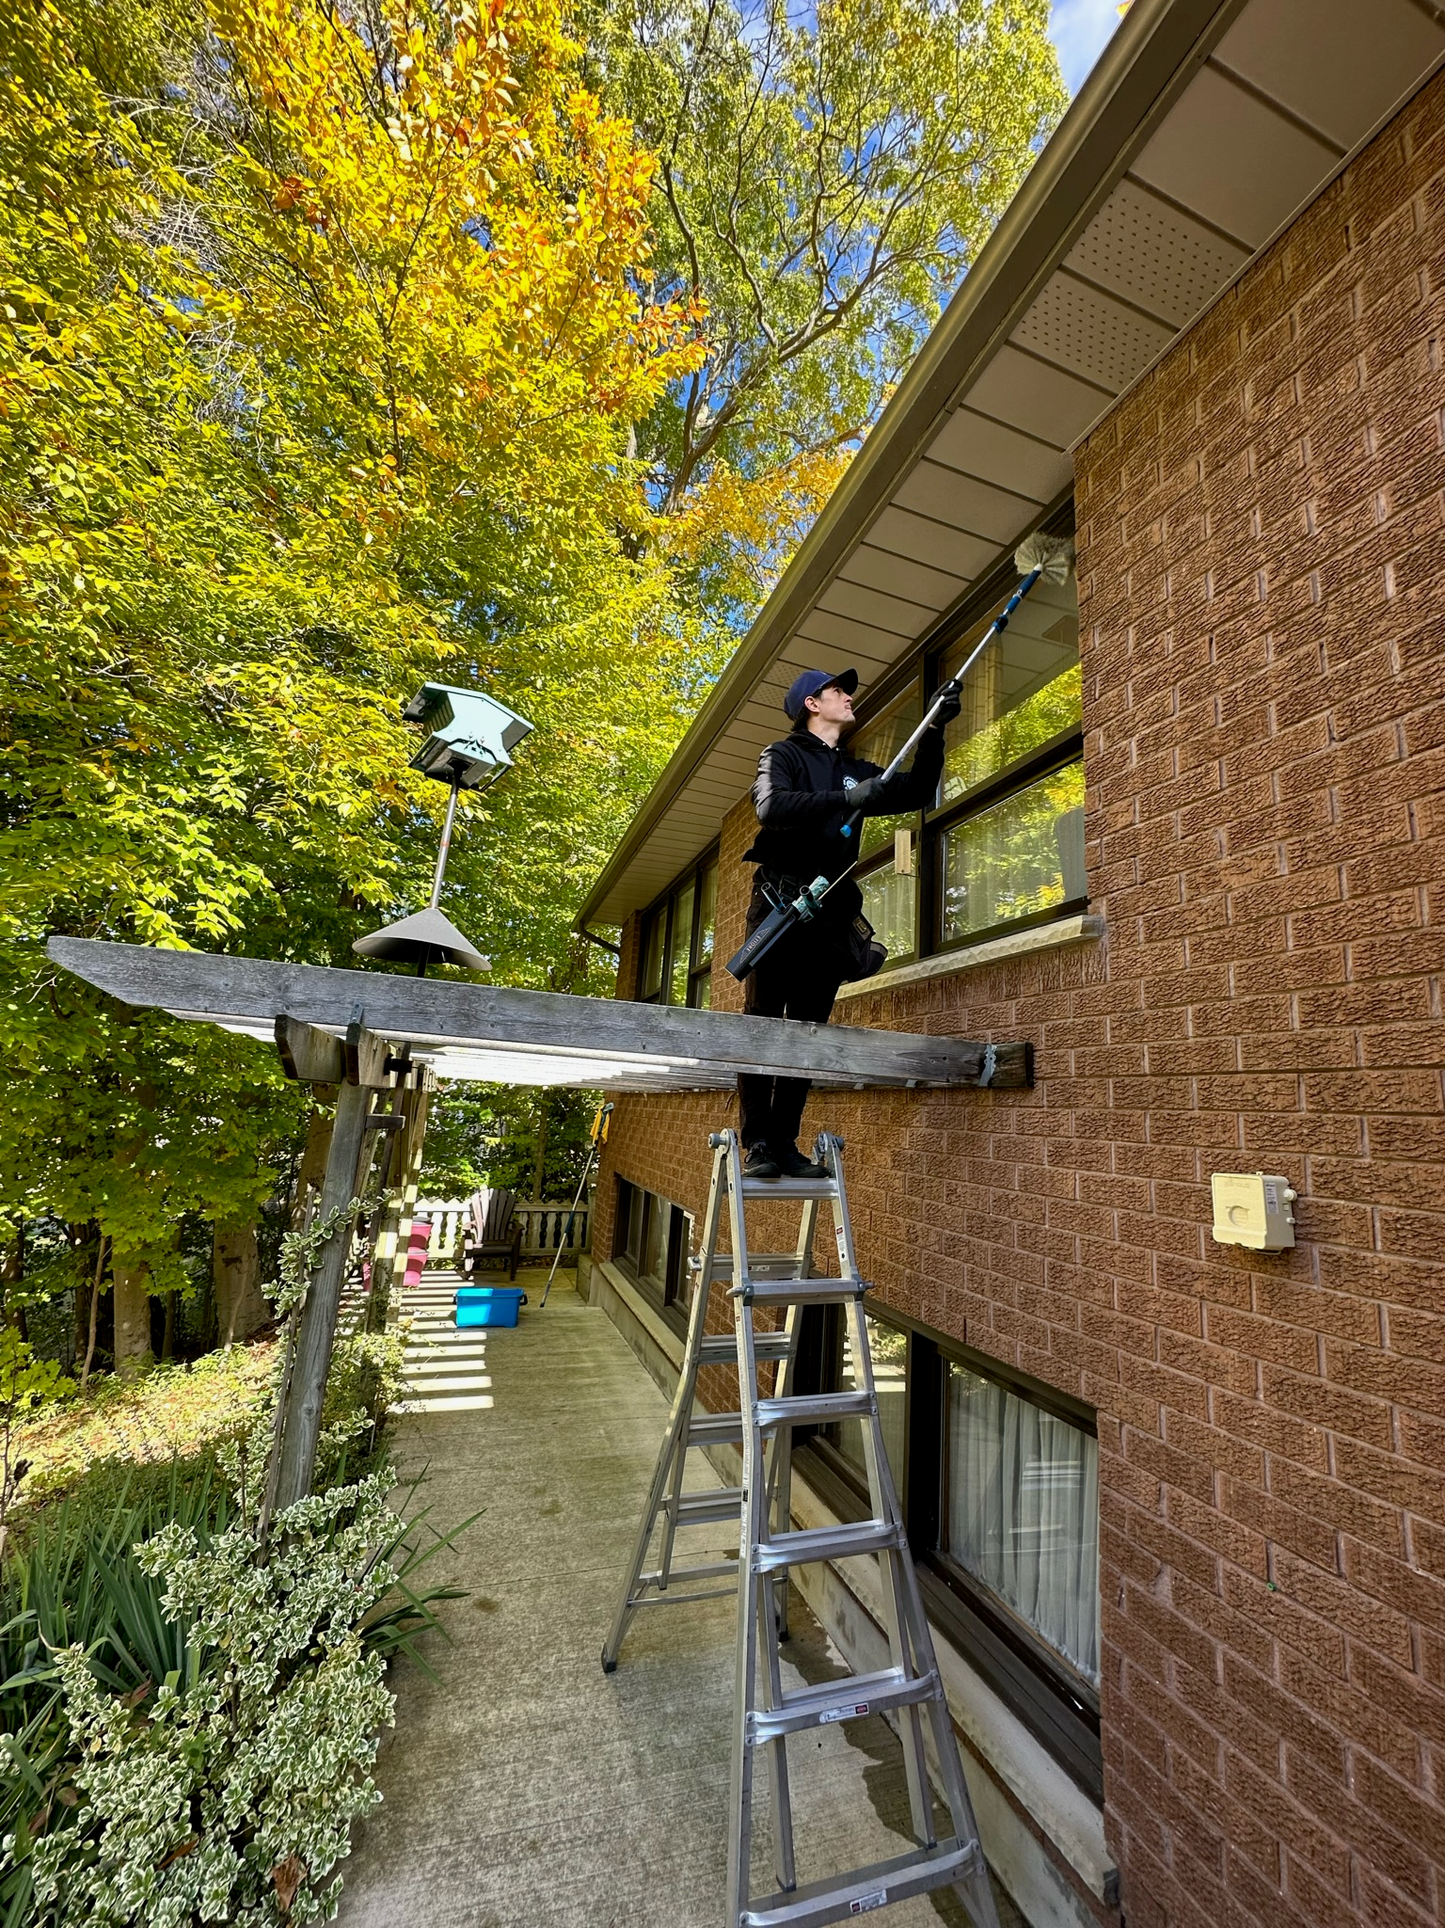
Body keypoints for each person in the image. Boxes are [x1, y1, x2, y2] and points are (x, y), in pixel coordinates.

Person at [737, 666, 960, 1179]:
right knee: (765, 1022)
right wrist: (845, 799)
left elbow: (918, 791)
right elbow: (771, 807)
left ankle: (786, 1144)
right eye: (839, 690)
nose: (849, 697)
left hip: (828, 913)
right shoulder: (782, 754)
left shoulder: (856, 769)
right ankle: (759, 1146)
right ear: (812, 704)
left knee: (810, 1031)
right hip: (779, 901)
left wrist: (935, 731)